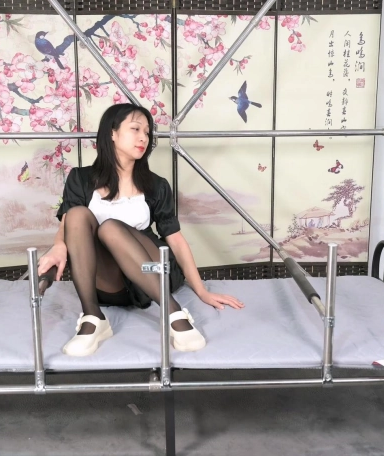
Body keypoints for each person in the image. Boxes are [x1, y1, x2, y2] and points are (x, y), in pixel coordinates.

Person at [37, 103, 244, 357]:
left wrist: (201, 291)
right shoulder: (80, 179)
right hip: (109, 284)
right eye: (135, 129)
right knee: (79, 214)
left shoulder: (156, 186)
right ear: (112, 133)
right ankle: (93, 318)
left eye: (147, 132)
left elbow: (175, 239)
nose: (143, 138)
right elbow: (68, 223)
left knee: (110, 228)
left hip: (152, 270)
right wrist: (59, 246)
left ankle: (174, 313)